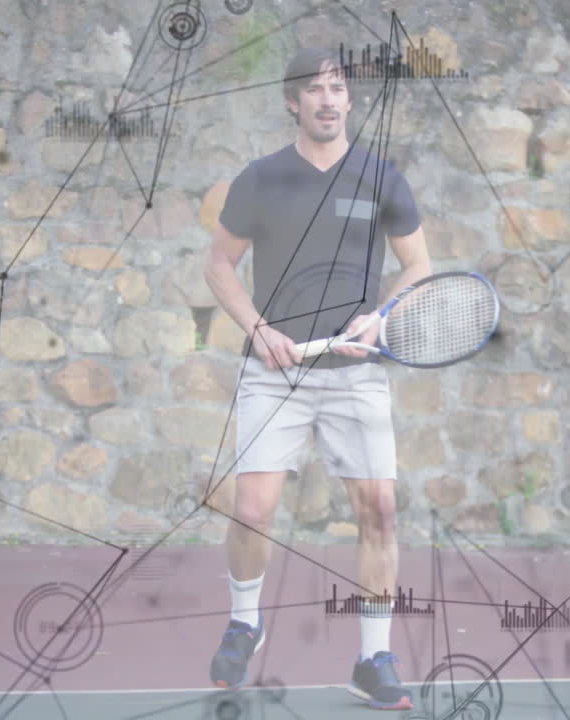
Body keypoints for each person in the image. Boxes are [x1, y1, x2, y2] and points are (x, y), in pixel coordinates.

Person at [202, 46, 432, 710]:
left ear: (350, 100)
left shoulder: (382, 177)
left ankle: (373, 657)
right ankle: (246, 622)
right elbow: (219, 264)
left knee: (379, 513)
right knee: (252, 513)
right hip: (274, 376)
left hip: (356, 374)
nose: (327, 99)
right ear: (291, 101)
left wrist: (381, 316)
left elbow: (418, 267)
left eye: (337, 88)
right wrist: (257, 328)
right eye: (314, 89)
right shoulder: (261, 179)